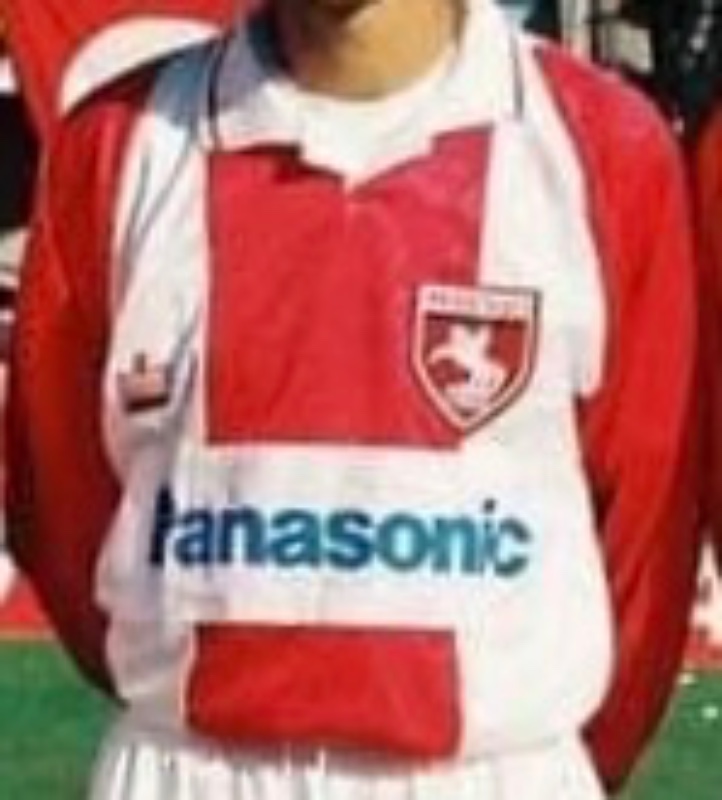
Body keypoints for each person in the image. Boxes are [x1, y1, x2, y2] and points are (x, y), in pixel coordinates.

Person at [6, 0, 700, 798]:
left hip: (492, 773)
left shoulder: (601, 146)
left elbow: (648, 532)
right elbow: (60, 499)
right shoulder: (117, 145)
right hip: (188, 769)